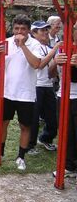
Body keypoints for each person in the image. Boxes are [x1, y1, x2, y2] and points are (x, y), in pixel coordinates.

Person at [0, 14, 41, 170]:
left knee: (25, 126)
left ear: (29, 30)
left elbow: (36, 64)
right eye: (17, 28)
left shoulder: (35, 44)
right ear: (13, 29)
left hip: (26, 94)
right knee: (3, 124)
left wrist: (23, 46)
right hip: (7, 92)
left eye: (23, 29)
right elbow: (0, 67)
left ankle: (21, 157)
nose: (19, 31)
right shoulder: (7, 43)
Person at [27, 21, 60, 155]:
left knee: (53, 117)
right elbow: (40, 65)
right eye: (42, 31)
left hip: (48, 85)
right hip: (36, 86)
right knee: (33, 119)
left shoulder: (47, 48)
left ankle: (45, 138)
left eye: (47, 30)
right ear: (34, 33)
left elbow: (51, 70)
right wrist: (54, 50)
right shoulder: (34, 47)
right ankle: (30, 145)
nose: (46, 33)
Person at [49, 23, 77, 178]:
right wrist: (55, 62)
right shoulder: (62, 48)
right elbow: (51, 74)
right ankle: (69, 165)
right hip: (64, 95)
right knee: (67, 133)